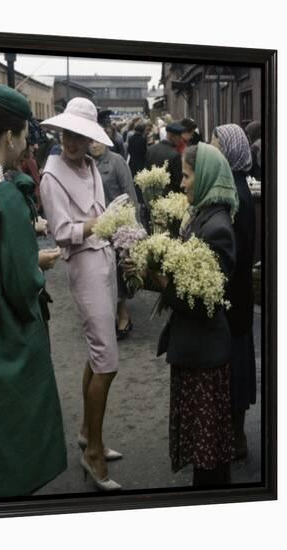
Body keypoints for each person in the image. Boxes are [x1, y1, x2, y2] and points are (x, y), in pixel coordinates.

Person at [0, 84, 67, 499]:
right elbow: (20, 282)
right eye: (25, 135)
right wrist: (38, 264)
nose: (27, 143)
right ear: (10, 137)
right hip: (1, 330)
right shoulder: (5, 198)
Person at [126, 143, 238, 486]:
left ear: (204, 177)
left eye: (187, 176)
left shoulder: (216, 226)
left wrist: (159, 279)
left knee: (210, 455)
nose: (182, 184)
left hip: (204, 351)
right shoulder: (202, 214)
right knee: (205, 449)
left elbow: (203, 298)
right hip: (196, 349)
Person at [40, 98, 125, 491]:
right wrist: (95, 225)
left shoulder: (91, 165)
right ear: (59, 133)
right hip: (83, 264)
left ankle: (88, 435)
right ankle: (93, 451)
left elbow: (102, 217)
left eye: (81, 135)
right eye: (67, 133)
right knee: (107, 360)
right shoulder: (50, 175)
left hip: (104, 259)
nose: (72, 142)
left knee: (98, 351)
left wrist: (117, 229)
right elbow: (60, 232)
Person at [212, 124, 257, 459]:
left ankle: (236, 438)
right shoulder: (234, 188)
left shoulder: (237, 196)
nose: (211, 151)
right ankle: (233, 434)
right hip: (236, 296)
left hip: (235, 297)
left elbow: (234, 255)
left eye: (216, 146)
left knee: (237, 366)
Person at [89, 138, 139, 339]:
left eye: (97, 141)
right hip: (95, 227)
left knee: (118, 272)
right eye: (90, 142)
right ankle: (109, 316)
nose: (93, 145)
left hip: (117, 227)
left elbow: (130, 193)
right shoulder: (87, 163)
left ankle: (123, 316)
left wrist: (133, 226)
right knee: (102, 274)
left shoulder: (117, 161)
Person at [145, 122, 185, 194]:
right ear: (171, 136)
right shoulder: (175, 155)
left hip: (152, 195)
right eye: (179, 136)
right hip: (169, 198)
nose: (181, 139)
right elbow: (179, 181)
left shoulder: (151, 149)